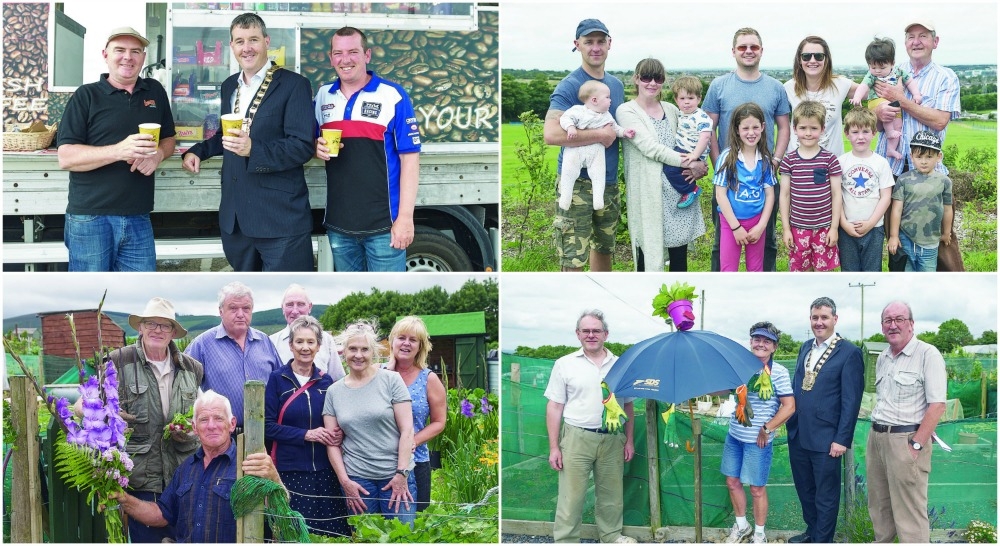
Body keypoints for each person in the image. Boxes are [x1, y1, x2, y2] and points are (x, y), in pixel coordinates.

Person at [181, 13, 315, 272]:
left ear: (267, 42)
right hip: (236, 221)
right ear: (231, 46)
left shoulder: (294, 85)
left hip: (280, 219)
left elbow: (302, 146)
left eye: (253, 39)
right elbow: (226, 136)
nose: (247, 47)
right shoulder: (229, 85)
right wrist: (197, 151)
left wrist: (254, 149)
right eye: (240, 41)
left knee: (283, 295)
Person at [74, 298, 202, 543]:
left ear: (173, 332)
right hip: (140, 480)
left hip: (182, 476)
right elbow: (81, 405)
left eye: (165, 326)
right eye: (151, 323)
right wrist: (107, 414)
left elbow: (200, 417)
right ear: (140, 328)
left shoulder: (192, 369)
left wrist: (190, 431)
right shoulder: (118, 361)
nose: (157, 330)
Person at [56, 26, 176, 272]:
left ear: (143, 57)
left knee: (138, 293)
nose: (128, 57)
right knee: (90, 295)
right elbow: (66, 157)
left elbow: (169, 138)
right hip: (91, 218)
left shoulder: (154, 91)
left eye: (135, 51)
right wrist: (119, 151)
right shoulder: (86, 96)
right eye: (119, 50)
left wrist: (159, 156)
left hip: (138, 216)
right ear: (105, 55)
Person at [113, 390, 285, 543]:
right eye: (204, 420)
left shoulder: (249, 465)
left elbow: (282, 516)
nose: (211, 426)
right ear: (194, 427)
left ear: (232, 424)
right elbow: (161, 514)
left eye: (218, 418)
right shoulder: (186, 469)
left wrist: (273, 478)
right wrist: (124, 500)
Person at [314, 26, 421, 272]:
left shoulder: (392, 95)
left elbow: (410, 159)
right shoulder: (322, 96)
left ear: (367, 55)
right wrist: (314, 147)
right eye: (338, 53)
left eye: (353, 51)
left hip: (385, 226)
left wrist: (405, 218)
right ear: (331, 59)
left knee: (388, 296)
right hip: (340, 227)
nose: (346, 59)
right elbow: (304, 141)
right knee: (353, 297)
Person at [544, 309, 636, 543]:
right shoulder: (564, 364)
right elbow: (555, 406)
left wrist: (629, 440)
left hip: (613, 438)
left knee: (611, 494)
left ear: (606, 334)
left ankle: (612, 536)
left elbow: (628, 407)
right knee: (571, 497)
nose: (591, 335)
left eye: (596, 330)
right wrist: (554, 447)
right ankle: (566, 540)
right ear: (578, 334)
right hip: (577, 438)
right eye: (586, 331)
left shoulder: (621, 364)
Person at [704, 27, 790, 272]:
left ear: (761, 51)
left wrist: (774, 161)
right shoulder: (719, 86)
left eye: (753, 47)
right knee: (722, 243)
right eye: (743, 47)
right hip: (728, 176)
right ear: (733, 52)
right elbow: (708, 129)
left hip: (763, 173)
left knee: (767, 241)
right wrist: (720, 164)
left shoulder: (775, 87)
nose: (748, 51)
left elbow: (784, 128)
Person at [544, 19, 625, 272]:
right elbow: (551, 133)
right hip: (576, 184)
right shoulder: (570, 85)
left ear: (610, 44)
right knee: (573, 258)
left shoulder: (616, 86)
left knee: (604, 248)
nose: (595, 47)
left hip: (607, 182)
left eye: (601, 41)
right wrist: (600, 134)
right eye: (589, 42)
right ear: (577, 44)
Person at [785, 297, 864, 544]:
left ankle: (823, 539)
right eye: (815, 318)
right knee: (805, 490)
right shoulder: (805, 347)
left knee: (826, 495)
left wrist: (842, 439)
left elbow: (851, 400)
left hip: (827, 438)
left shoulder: (849, 352)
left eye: (824, 317)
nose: (819, 323)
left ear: (835, 319)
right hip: (799, 434)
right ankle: (812, 532)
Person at [867, 301, 947, 543]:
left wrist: (916, 446)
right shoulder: (883, 357)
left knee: (910, 515)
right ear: (882, 326)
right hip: (877, 439)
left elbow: (937, 405)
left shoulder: (927, 354)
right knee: (880, 509)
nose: (893, 325)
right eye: (888, 321)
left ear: (911, 324)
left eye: (899, 319)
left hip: (906, 441)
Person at [616, 58, 706, 272]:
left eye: (658, 78)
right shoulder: (626, 111)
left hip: (678, 192)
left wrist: (700, 162)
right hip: (649, 194)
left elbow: (693, 136)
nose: (652, 83)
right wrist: (690, 162)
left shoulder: (671, 109)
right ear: (636, 79)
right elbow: (649, 147)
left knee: (679, 258)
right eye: (646, 77)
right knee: (646, 253)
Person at [322, 320, 416, 524]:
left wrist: (401, 474)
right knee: (366, 539)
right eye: (353, 349)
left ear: (373, 352)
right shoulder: (334, 392)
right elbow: (332, 443)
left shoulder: (391, 380)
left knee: (402, 537)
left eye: (365, 349)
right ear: (343, 352)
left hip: (395, 476)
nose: (358, 355)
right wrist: (345, 482)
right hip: (358, 481)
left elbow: (407, 430)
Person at [264, 315, 349, 537]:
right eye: (299, 342)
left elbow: (336, 419)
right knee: (297, 535)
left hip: (325, 472)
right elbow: (268, 427)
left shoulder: (326, 380)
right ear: (290, 345)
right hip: (291, 473)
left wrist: (338, 433)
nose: (305, 347)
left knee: (331, 534)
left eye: (310, 342)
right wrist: (306, 434)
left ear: (319, 346)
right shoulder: (277, 379)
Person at [720, 322, 794, 544]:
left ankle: (760, 535)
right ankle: (742, 526)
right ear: (751, 342)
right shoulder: (740, 368)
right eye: (757, 339)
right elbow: (724, 390)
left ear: (774, 347)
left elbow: (789, 406)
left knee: (757, 489)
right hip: (734, 435)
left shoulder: (778, 372)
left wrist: (766, 428)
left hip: (758, 441)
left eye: (767, 341)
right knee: (732, 482)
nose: (761, 344)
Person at [185, 281, 281, 428]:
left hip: (265, 433)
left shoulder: (265, 342)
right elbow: (184, 387)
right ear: (221, 311)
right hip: (220, 434)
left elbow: (281, 384)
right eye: (233, 308)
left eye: (246, 308)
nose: (240, 314)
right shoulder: (202, 344)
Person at [872, 19, 960, 177]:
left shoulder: (946, 77)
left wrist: (900, 100)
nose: (916, 42)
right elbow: (875, 124)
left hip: (926, 171)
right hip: (887, 168)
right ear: (905, 43)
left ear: (935, 42)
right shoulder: (888, 72)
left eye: (923, 36)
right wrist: (877, 112)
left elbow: (940, 121)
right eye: (911, 37)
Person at [385, 316, 446, 512]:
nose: (406, 343)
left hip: (416, 461)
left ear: (420, 346)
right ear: (392, 341)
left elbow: (439, 422)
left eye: (413, 340)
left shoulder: (429, 379)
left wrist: (413, 441)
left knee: (415, 521)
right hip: (379, 460)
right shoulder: (376, 374)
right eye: (401, 337)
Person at [778, 100, 843, 272]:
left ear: (822, 129)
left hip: (824, 228)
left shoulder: (830, 160)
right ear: (794, 129)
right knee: (800, 274)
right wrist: (786, 229)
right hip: (798, 229)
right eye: (803, 128)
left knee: (823, 274)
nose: (808, 133)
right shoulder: (789, 160)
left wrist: (834, 228)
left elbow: (837, 195)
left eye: (813, 128)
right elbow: (784, 195)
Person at [712, 102, 776, 272]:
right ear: (737, 129)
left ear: (763, 127)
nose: (751, 133)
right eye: (745, 128)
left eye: (755, 127)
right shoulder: (726, 157)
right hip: (731, 223)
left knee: (756, 270)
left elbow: (770, 195)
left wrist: (761, 226)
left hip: (756, 223)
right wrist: (736, 227)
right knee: (728, 270)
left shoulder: (766, 160)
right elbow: (720, 195)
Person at [557, 80, 635, 211]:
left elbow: (615, 128)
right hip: (575, 151)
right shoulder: (578, 111)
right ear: (594, 100)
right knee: (568, 171)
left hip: (596, 153)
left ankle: (598, 199)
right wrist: (570, 127)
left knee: (599, 173)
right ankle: (565, 196)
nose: (611, 100)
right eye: (607, 97)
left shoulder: (607, 116)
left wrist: (625, 132)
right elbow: (565, 118)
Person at [837, 107, 895, 272]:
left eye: (865, 131)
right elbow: (837, 197)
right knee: (849, 272)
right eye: (855, 132)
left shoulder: (881, 163)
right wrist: (843, 223)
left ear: (874, 133)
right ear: (847, 133)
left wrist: (870, 223)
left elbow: (885, 197)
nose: (860, 137)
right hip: (847, 227)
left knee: (872, 272)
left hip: (874, 228)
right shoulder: (841, 162)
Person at [887, 131, 953, 272]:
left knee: (927, 277)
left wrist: (946, 233)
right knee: (906, 276)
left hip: (930, 241)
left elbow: (947, 209)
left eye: (929, 157)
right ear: (911, 157)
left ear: (938, 157)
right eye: (919, 156)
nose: (923, 161)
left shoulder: (944, 181)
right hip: (906, 238)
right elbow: (896, 209)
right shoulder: (903, 180)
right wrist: (894, 236)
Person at [783, 36, 858, 157]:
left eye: (818, 56)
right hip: (796, 166)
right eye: (806, 56)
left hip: (831, 167)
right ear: (799, 59)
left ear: (826, 59)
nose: (812, 60)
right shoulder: (788, 87)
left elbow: (871, 91)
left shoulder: (841, 84)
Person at [850, 37, 923, 160]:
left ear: (892, 63)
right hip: (876, 102)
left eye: (882, 68)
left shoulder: (899, 71)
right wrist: (857, 97)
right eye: (873, 67)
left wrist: (916, 95)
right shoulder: (871, 76)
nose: (877, 71)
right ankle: (889, 132)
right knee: (886, 107)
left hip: (895, 106)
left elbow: (910, 82)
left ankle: (891, 149)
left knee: (898, 126)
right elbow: (863, 85)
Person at [269, 283, 345, 381]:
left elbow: (337, 380)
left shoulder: (326, 339)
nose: (295, 311)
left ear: (310, 307)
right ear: (282, 308)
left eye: (300, 304)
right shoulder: (271, 342)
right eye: (289, 305)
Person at [663, 75, 712, 209]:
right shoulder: (681, 114)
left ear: (699, 99)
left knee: (670, 168)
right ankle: (687, 188)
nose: (686, 102)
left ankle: (690, 190)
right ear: (676, 100)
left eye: (690, 98)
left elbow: (705, 137)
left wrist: (695, 156)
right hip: (685, 149)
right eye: (682, 98)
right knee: (673, 169)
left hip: (692, 151)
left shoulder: (701, 117)